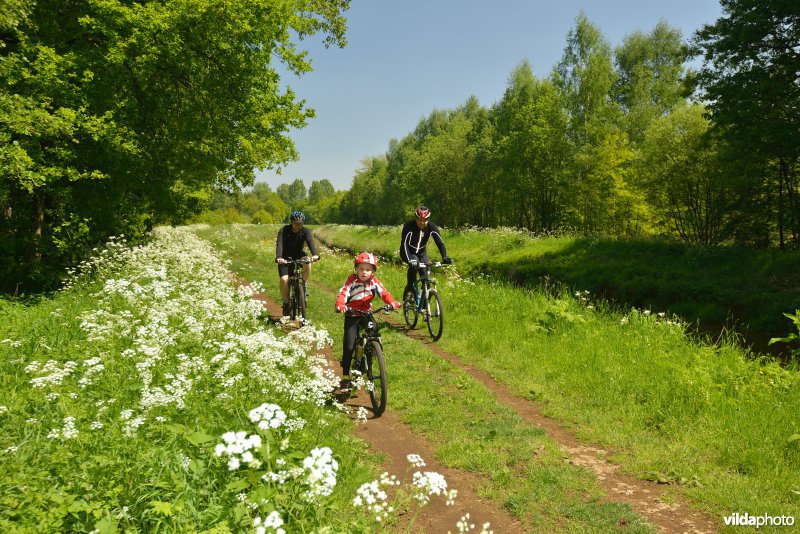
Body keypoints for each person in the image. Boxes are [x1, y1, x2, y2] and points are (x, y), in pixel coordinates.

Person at [334, 252, 401, 389]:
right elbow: (343, 292)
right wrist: (341, 304)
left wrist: (392, 302)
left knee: (374, 331)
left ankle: (371, 353)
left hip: (366, 313)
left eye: (368, 269)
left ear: (373, 271)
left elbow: (384, 293)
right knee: (349, 345)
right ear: (356, 269)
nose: (364, 272)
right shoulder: (351, 280)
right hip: (352, 314)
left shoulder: (374, 281)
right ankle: (346, 376)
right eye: (361, 269)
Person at [399, 206, 453, 300]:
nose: (422, 223)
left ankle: (424, 308)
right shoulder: (409, 226)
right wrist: (409, 260)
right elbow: (404, 245)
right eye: (419, 220)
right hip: (408, 252)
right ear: (416, 219)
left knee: (426, 280)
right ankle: (410, 289)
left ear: (429, 219)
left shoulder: (432, 227)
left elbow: (440, 243)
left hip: (422, 253)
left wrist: (444, 257)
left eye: (425, 220)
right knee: (414, 264)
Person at [275, 211, 319, 316]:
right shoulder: (284, 230)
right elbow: (280, 243)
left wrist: (315, 255)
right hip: (285, 256)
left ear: (303, 223)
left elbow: (310, 242)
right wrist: (279, 257)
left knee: (307, 262)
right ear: (291, 222)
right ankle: (286, 303)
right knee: (284, 279)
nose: (298, 225)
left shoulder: (305, 231)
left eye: (300, 223)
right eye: (295, 223)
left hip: (299, 254)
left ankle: (303, 283)